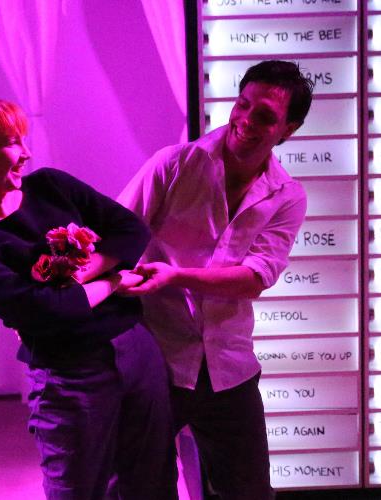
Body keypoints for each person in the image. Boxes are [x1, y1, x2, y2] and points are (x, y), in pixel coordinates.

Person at [0, 99, 177, 500]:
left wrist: (84, 275)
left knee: (153, 483)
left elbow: (131, 230)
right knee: (77, 491)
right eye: (12, 143)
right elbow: (53, 311)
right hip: (70, 376)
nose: (26, 153)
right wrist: (115, 280)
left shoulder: (49, 185)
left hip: (137, 350)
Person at [117, 60, 313, 499]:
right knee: (140, 488)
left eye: (265, 116)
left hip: (230, 366)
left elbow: (255, 278)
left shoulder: (288, 196)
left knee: (249, 493)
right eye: (243, 105)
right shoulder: (174, 164)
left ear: (289, 130)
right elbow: (115, 234)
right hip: (157, 360)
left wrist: (173, 276)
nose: (246, 121)